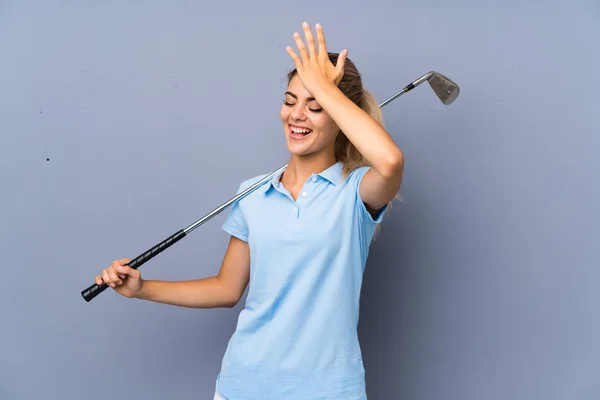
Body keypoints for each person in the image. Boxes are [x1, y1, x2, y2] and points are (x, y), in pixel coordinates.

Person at [95, 22, 404, 400]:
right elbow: (227, 288)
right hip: (243, 386)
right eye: (290, 101)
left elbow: (390, 161)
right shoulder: (253, 193)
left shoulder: (357, 192)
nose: (297, 115)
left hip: (327, 390)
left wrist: (326, 86)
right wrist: (143, 289)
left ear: (341, 117)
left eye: (316, 106)